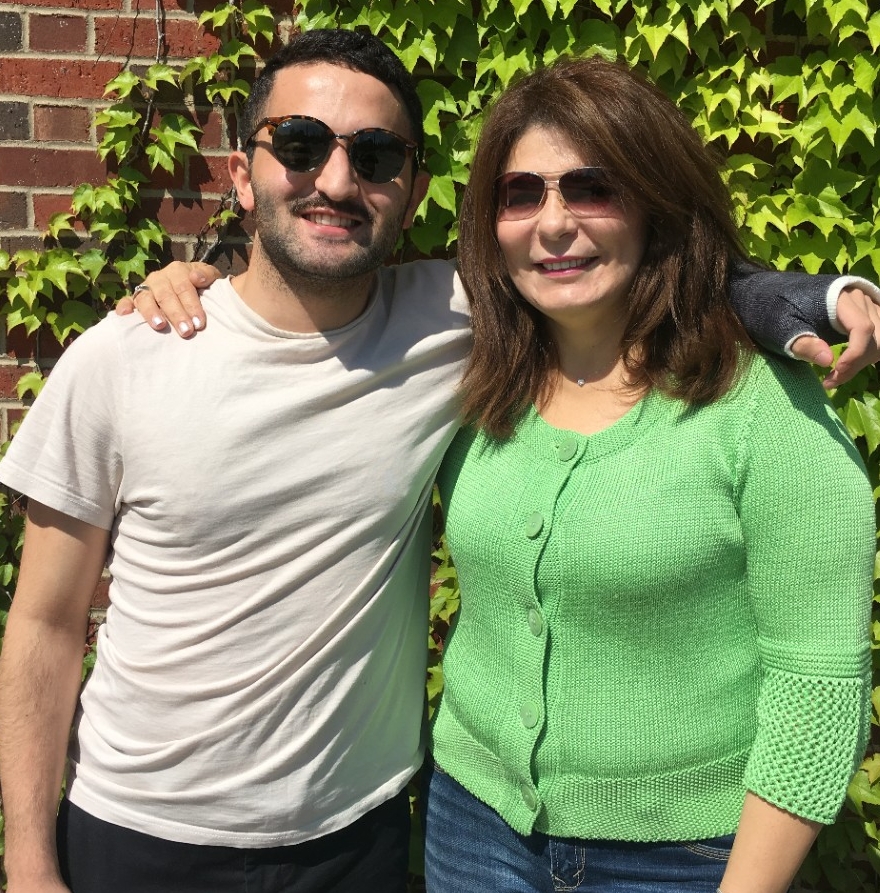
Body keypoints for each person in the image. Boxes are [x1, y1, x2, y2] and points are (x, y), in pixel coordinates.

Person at [0, 28, 876, 893]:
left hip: (366, 836)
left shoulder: (455, 330)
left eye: (376, 156)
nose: (337, 180)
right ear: (241, 174)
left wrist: (805, 295)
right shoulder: (130, 356)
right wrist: (29, 863)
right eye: (300, 145)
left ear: (412, 190)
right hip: (149, 832)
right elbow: (42, 623)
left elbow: (644, 260)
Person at [421, 56, 875, 893]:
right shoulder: (472, 372)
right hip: (471, 823)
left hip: (682, 861)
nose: (553, 223)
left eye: (591, 187)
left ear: (655, 202)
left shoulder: (764, 404)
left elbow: (817, 683)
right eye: (521, 194)